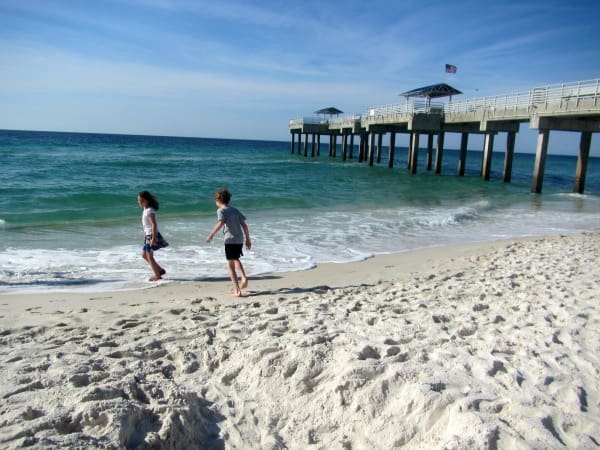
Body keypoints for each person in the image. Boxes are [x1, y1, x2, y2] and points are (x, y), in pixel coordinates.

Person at [205, 188, 252, 297]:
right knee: (235, 259)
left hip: (230, 239)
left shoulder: (221, 211)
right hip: (239, 238)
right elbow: (244, 225)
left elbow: (221, 223)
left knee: (231, 263)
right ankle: (242, 280)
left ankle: (238, 290)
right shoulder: (234, 210)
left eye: (215, 200)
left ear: (218, 199)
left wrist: (211, 234)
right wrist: (248, 239)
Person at [137, 190, 169, 281]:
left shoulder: (150, 210)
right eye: (139, 201)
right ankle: (160, 270)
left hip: (151, 235)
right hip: (148, 235)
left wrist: (153, 238)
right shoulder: (146, 209)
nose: (139, 202)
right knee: (144, 255)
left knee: (149, 256)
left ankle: (157, 275)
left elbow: (154, 225)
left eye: (141, 200)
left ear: (146, 200)